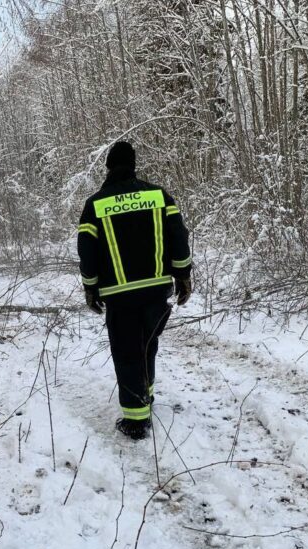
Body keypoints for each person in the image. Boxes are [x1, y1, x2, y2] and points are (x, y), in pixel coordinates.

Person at [77, 141, 192, 439]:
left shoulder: (95, 204)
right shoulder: (158, 195)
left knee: (127, 351)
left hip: (119, 294)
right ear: (134, 163)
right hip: (156, 289)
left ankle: (136, 420)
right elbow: (178, 236)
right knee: (147, 345)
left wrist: (91, 288)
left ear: (108, 167)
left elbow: (87, 251)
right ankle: (146, 396)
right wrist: (183, 276)